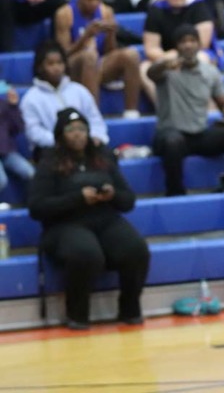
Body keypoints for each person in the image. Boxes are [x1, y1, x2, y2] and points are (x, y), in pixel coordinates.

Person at [27, 107, 150, 330]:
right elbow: (37, 208)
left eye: (82, 129)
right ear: (61, 135)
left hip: (105, 219)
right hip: (64, 224)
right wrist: (78, 198)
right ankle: (77, 315)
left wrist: (112, 195)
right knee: (86, 253)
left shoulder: (102, 156)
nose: (78, 134)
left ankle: (130, 309)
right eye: (71, 129)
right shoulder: (49, 162)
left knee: (136, 249)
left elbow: (128, 200)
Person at [148, 23, 224, 196]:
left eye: (192, 41)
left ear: (199, 44)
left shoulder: (210, 71)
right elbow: (151, 73)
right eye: (183, 41)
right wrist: (165, 64)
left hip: (199, 134)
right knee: (173, 142)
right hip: (169, 134)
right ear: (176, 46)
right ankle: (175, 192)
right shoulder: (167, 70)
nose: (188, 45)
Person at [54, 0, 142, 119]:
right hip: (74, 67)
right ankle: (93, 116)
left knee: (131, 54)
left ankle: (131, 112)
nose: (94, 3)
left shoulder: (106, 11)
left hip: (99, 64)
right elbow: (63, 55)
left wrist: (111, 34)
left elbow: (110, 51)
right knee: (90, 56)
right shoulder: (65, 14)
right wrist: (86, 36)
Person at [20, 41, 109, 162]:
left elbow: (95, 119)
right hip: (53, 149)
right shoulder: (31, 98)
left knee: (107, 156)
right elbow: (33, 132)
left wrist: (93, 137)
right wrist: (64, 141)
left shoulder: (79, 90)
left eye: (59, 63)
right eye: (51, 64)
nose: (56, 68)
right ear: (40, 67)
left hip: (84, 145)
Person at [141, 0, 214, 105]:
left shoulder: (199, 6)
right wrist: (169, 57)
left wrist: (179, 56)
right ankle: (166, 107)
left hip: (195, 53)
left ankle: (204, 106)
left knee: (202, 59)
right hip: (167, 56)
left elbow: (202, 43)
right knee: (144, 68)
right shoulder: (156, 10)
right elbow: (151, 49)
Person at [0, 86, 35, 204]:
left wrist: (14, 107)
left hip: (7, 152)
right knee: (1, 180)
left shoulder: (4, 105)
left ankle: (33, 203)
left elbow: (18, 127)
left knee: (30, 172)